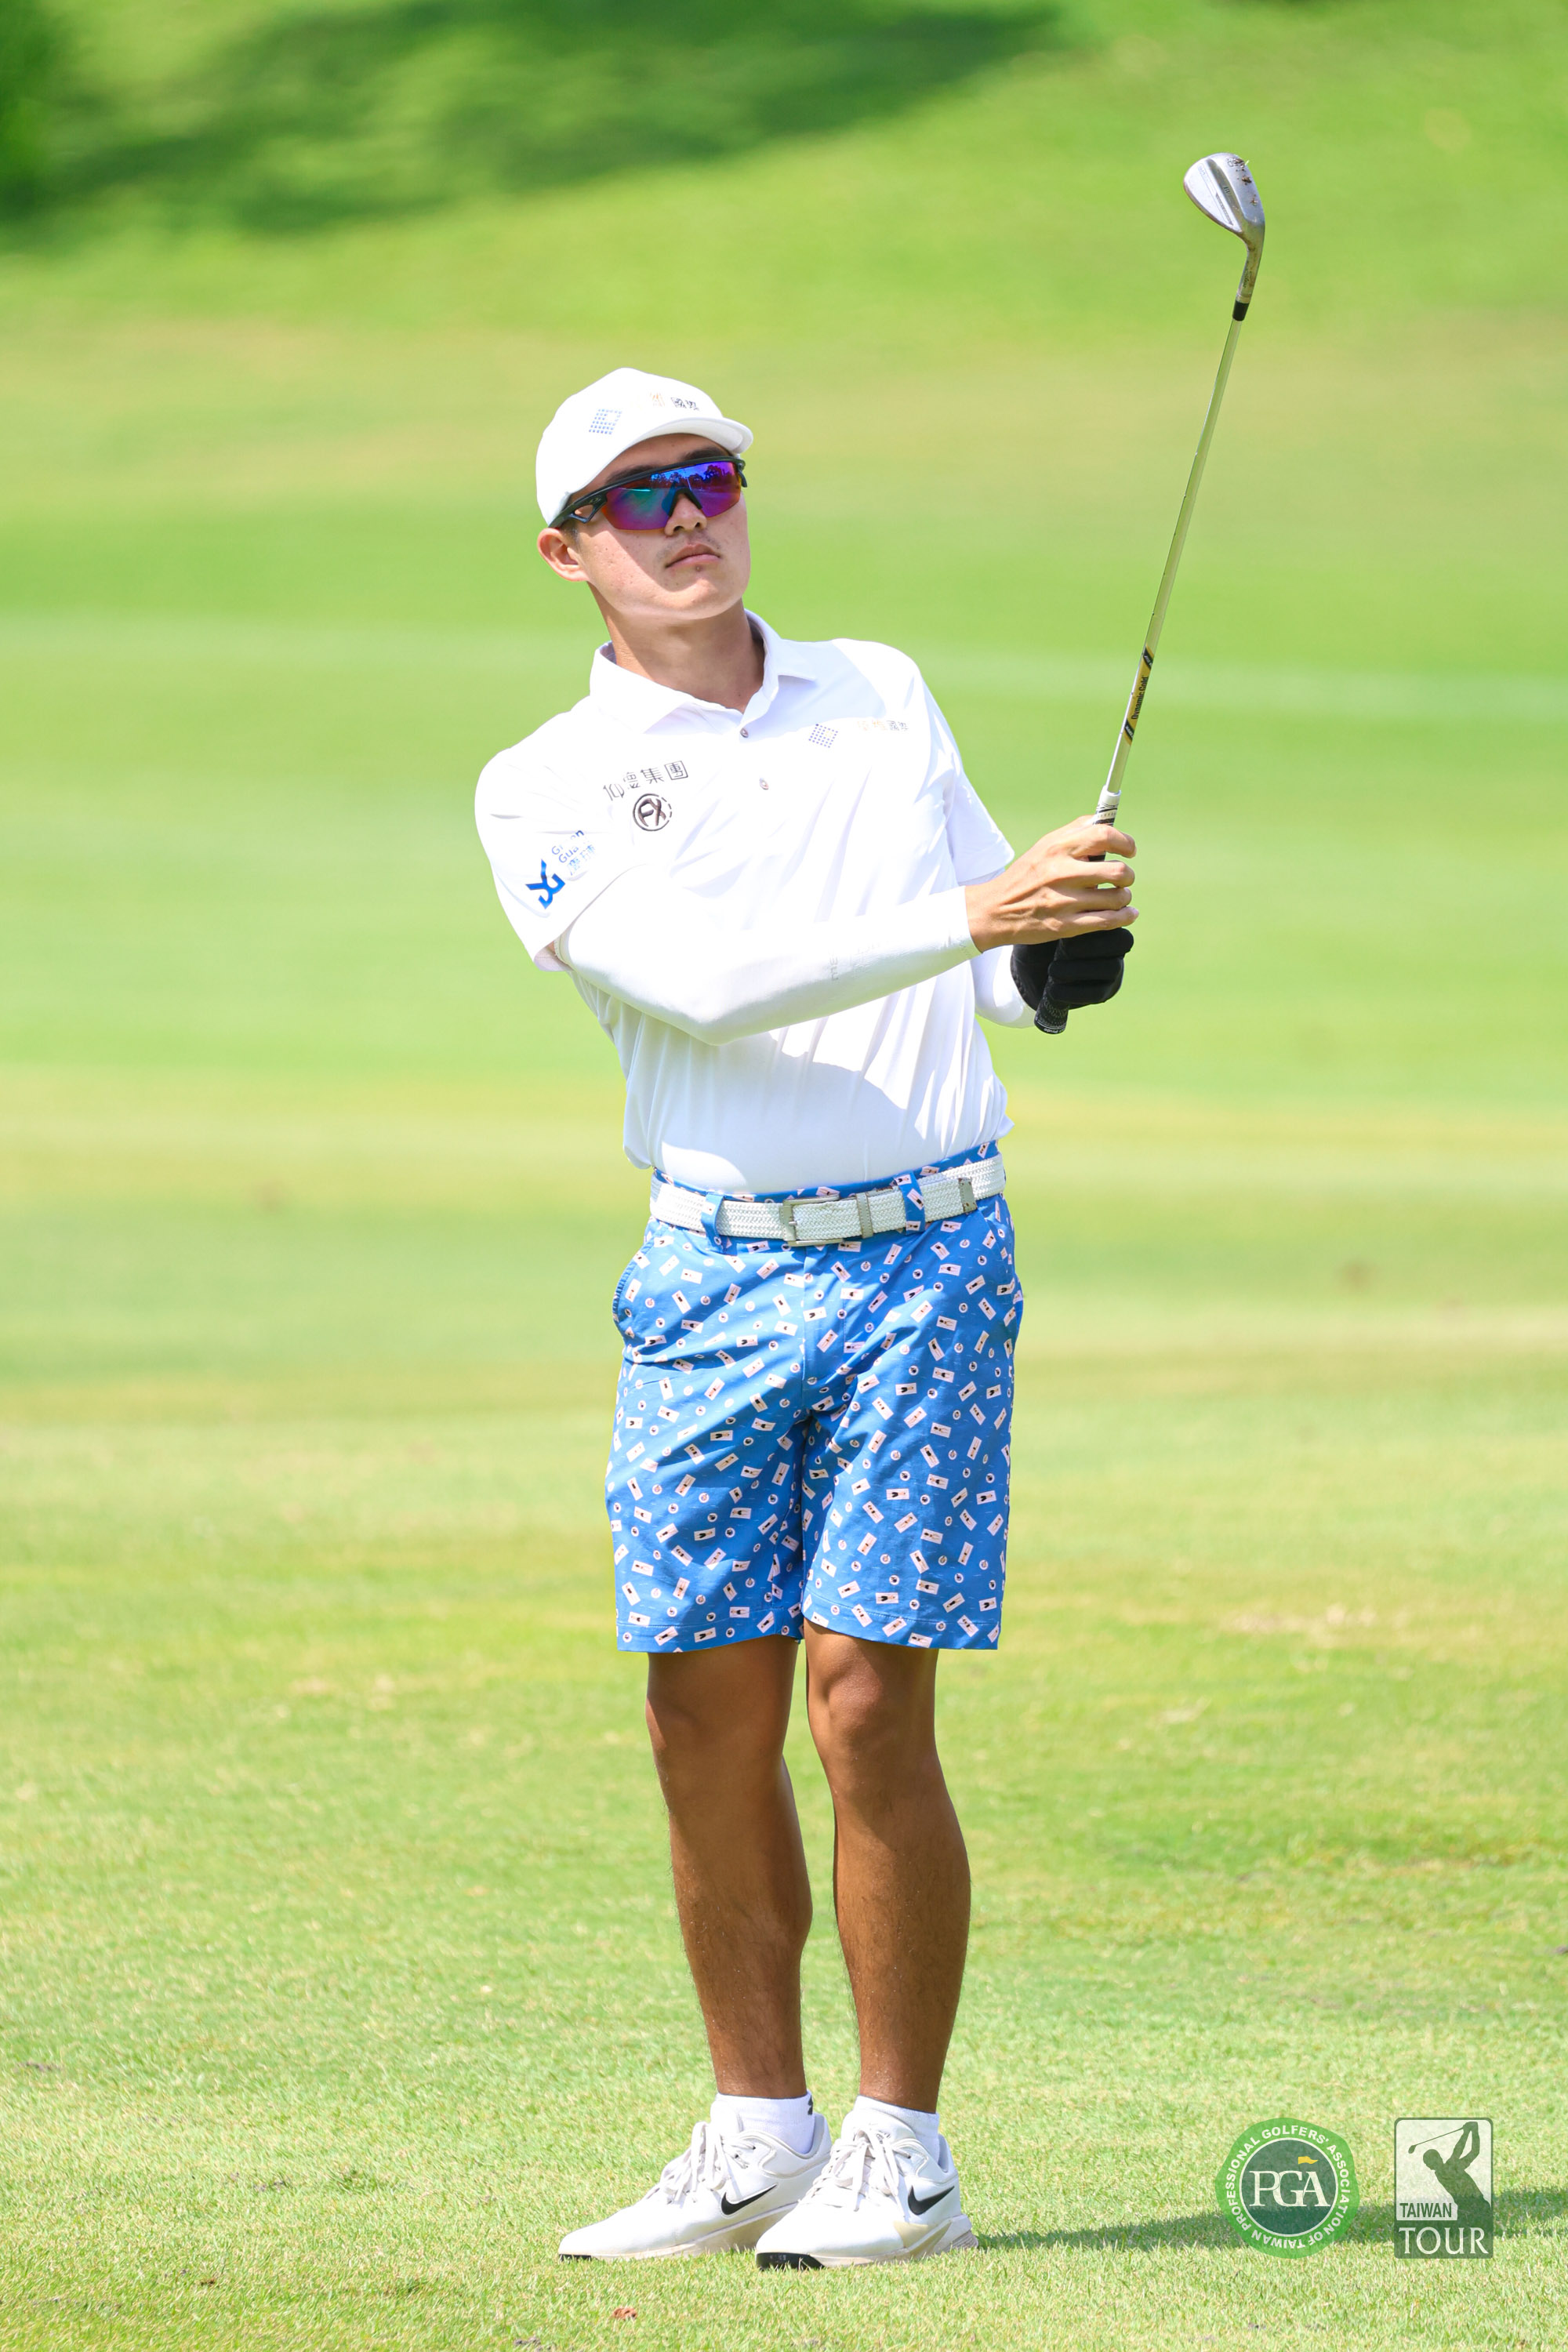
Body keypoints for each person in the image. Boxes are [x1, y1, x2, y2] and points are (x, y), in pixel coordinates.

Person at [475, 367, 1137, 2270]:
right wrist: (982, 918)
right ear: (567, 554)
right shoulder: (541, 783)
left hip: (925, 1259)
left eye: (707, 476)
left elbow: (987, 955)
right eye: (635, 498)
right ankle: (755, 2133)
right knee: (701, 1707)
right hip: (712, 1272)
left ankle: (900, 2152)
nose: (685, 517)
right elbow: (705, 983)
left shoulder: (880, 689)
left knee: (863, 1700)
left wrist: (1056, 950)